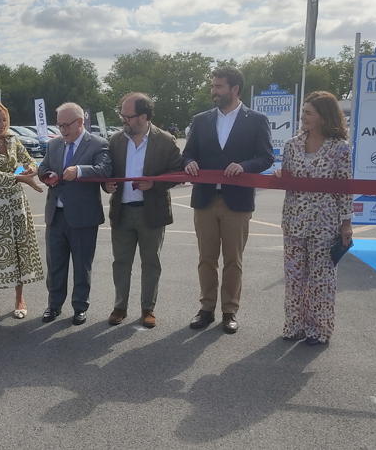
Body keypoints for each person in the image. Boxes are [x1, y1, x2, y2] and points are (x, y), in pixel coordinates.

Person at [183, 66, 273, 333]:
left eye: (219, 86)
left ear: (234, 89)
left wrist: (244, 166)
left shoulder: (256, 119)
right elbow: (187, 154)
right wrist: (189, 164)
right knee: (206, 258)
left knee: (233, 259)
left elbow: (266, 157)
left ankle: (229, 311)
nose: (213, 91)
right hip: (205, 200)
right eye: (213, 86)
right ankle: (206, 308)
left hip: (237, 201)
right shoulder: (200, 120)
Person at [273, 91, 353, 345]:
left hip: (325, 223)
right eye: (303, 112)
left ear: (323, 117)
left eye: (308, 113)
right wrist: (279, 175)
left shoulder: (339, 149)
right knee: (294, 277)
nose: (303, 117)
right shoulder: (292, 145)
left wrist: (346, 224)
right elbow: (286, 176)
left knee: (321, 279)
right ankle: (294, 326)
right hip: (294, 221)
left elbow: (345, 188)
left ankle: (319, 329)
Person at [103, 92, 183, 328]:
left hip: (152, 212)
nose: (123, 120)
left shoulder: (166, 140)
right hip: (122, 211)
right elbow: (105, 171)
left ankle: (148, 308)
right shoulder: (116, 140)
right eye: (122, 115)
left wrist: (154, 183)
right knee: (121, 262)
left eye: (127, 116)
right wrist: (105, 184)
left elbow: (177, 172)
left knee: (151, 262)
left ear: (144, 116)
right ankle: (120, 307)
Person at [38, 102, 112, 325]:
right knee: (55, 264)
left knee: (82, 265)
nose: (62, 130)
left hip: (83, 217)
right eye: (59, 125)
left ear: (80, 122)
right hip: (56, 216)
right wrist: (47, 175)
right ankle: (54, 305)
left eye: (66, 125)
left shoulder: (98, 144)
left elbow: (105, 170)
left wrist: (79, 170)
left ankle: (80, 306)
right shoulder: (54, 145)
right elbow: (42, 168)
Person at [0, 100, 45, 321]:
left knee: (18, 249)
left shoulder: (13, 139)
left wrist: (32, 167)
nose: (2, 124)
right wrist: (22, 178)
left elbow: (30, 158)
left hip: (16, 202)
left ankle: (19, 299)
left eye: (4, 119)